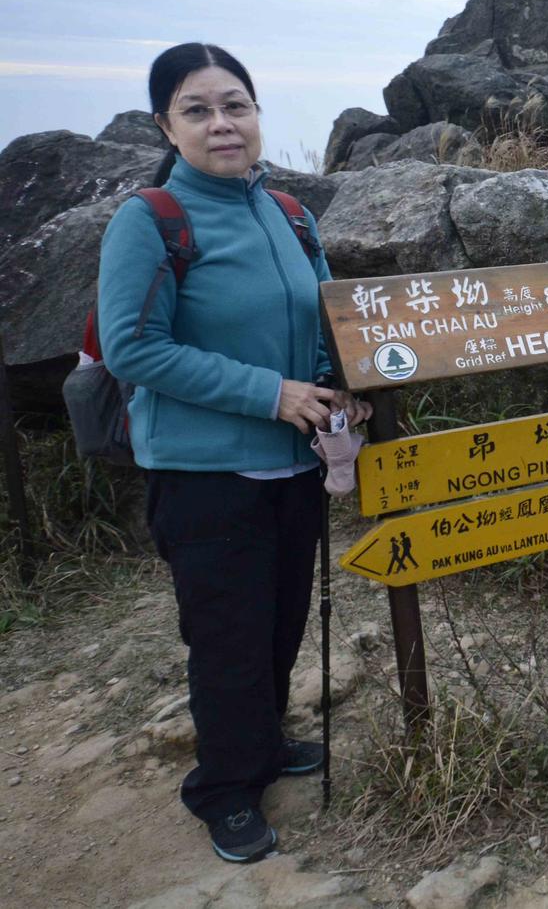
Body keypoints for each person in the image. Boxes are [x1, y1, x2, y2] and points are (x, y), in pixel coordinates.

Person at [97, 43, 372, 863]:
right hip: (205, 474)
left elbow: (321, 321)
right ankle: (224, 788)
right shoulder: (150, 220)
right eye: (198, 109)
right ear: (167, 126)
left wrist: (336, 387)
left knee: (281, 620)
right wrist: (272, 394)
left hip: (294, 466)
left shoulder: (290, 214)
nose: (221, 123)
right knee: (228, 638)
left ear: (256, 114)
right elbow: (133, 347)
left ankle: (263, 744)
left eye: (235, 105)